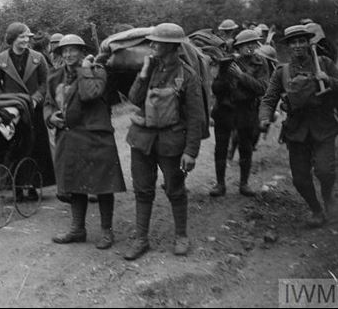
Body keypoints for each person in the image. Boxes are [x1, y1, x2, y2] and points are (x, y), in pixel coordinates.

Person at [123, 23, 204, 259]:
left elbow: (196, 117)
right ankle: (141, 239)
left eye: (157, 42)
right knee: (142, 190)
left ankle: (181, 236)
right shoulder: (149, 68)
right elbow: (134, 99)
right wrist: (144, 72)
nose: (152, 45)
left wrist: (191, 151)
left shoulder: (187, 76)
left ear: (171, 46)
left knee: (175, 189)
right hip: (142, 140)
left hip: (172, 142)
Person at [45, 34, 126, 249]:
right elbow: (48, 102)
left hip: (95, 137)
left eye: (74, 50)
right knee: (74, 183)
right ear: (60, 54)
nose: (69, 54)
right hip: (69, 137)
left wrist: (84, 69)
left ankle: (107, 232)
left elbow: (90, 93)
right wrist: (51, 116)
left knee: (103, 184)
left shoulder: (97, 71)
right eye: (65, 51)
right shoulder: (54, 76)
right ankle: (77, 229)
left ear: (82, 52)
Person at [259, 25, 338, 227]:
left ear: (308, 43)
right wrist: (265, 118)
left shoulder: (324, 64)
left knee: (325, 170)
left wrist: (329, 80)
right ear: (287, 46)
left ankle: (328, 196)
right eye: (293, 42)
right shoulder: (282, 72)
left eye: (301, 41)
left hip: (323, 126)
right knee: (300, 179)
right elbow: (269, 98)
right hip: (296, 130)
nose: (297, 46)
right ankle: (316, 210)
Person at [0, 22, 56, 194]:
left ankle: (33, 186)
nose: (26, 40)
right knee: (15, 148)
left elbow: (45, 83)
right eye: (22, 37)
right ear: (12, 39)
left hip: (34, 110)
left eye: (27, 37)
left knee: (35, 147)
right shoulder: (0, 59)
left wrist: (36, 99)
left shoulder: (38, 58)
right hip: (12, 112)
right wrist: (5, 101)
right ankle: (16, 187)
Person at [209, 29, 269, 197]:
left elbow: (263, 88)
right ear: (238, 47)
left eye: (252, 44)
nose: (249, 48)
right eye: (245, 45)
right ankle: (220, 185)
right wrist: (222, 73)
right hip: (225, 110)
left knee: (246, 147)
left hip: (246, 110)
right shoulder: (227, 62)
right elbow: (216, 89)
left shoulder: (261, 63)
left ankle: (244, 184)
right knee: (220, 148)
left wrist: (241, 76)